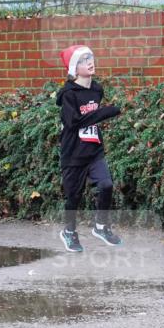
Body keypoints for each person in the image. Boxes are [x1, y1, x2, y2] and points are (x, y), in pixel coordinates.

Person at [56, 45, 122, 253]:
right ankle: (69, 232)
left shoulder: (96, 89)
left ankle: (101, 226)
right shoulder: (68, 95)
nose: (90, 62)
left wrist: (101, 113)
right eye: (84, 60)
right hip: (73, 153)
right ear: (75, 68)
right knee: (74, 197)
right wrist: (104, 113)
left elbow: (91, 118)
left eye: (91, 57)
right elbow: (74, 122)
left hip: (94, 150)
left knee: (106, 185)